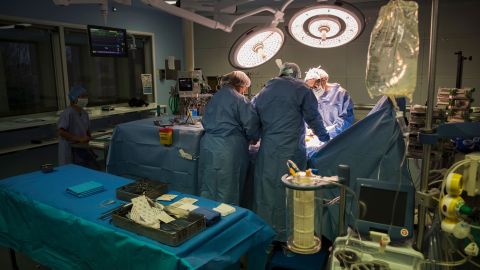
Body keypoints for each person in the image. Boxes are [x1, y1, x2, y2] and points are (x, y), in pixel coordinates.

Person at [252, 62, 330, 241]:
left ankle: (265, 235)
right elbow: (313, 117)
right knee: (287, 192)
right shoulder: (301, 89)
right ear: (297, 74)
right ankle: (286, 236)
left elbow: (253, 118)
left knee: (266, 192)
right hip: (290, 150)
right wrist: (325, 137)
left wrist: (254, 137)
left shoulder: (263, 91)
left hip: (268, 150)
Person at [198, 71, 260, 205]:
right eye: (245, 88)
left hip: (208, 146)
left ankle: (207, 217)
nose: (244, 91)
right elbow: (251, 125)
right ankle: (228, 222)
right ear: (240, 85)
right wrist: (254, 138)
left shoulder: (214, 98)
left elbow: (204, 120)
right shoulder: (240, 100)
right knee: (229, 188)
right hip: (229, 148)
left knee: (209, 184)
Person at [304, 67, 355, 138]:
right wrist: (307, 130)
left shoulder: (340, 94)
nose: (313, 89)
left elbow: (346, 119)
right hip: (316, 138)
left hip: (337, 139)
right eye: (310, 87)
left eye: (315, 86)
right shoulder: (310, 96)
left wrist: (328, 132)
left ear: (324, 80)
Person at [58, 86, 99, 169]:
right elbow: (61, 132)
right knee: (71, 173)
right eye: (83, 96)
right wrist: (78, 139)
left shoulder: (84, 113)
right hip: (69, 149)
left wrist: (88, 138)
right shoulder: (67, 113)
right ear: (74, 98)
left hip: (82, 148)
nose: (86, 98)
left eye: (86, 96)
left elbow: (87, 130)